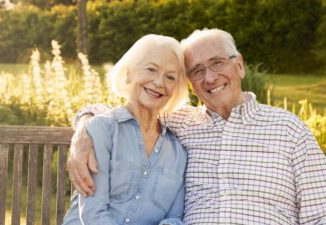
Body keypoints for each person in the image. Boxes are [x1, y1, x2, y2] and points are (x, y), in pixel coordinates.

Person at [68, 28, 326, 224]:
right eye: (197, 70)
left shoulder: (289, 129)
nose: (210, 77)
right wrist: (83, 129)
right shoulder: (182, 124)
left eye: (217, 63)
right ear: (190, 82)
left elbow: (320, 212)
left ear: (239, 65)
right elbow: (125, 113)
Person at [63, 34, 189, 225]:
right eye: (151, 69)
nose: (159, 82)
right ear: (129, 74)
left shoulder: (178, 151)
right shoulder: (103, 129)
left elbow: (174, 218)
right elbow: (93, 214)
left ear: (176, 89)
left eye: (170, 77)